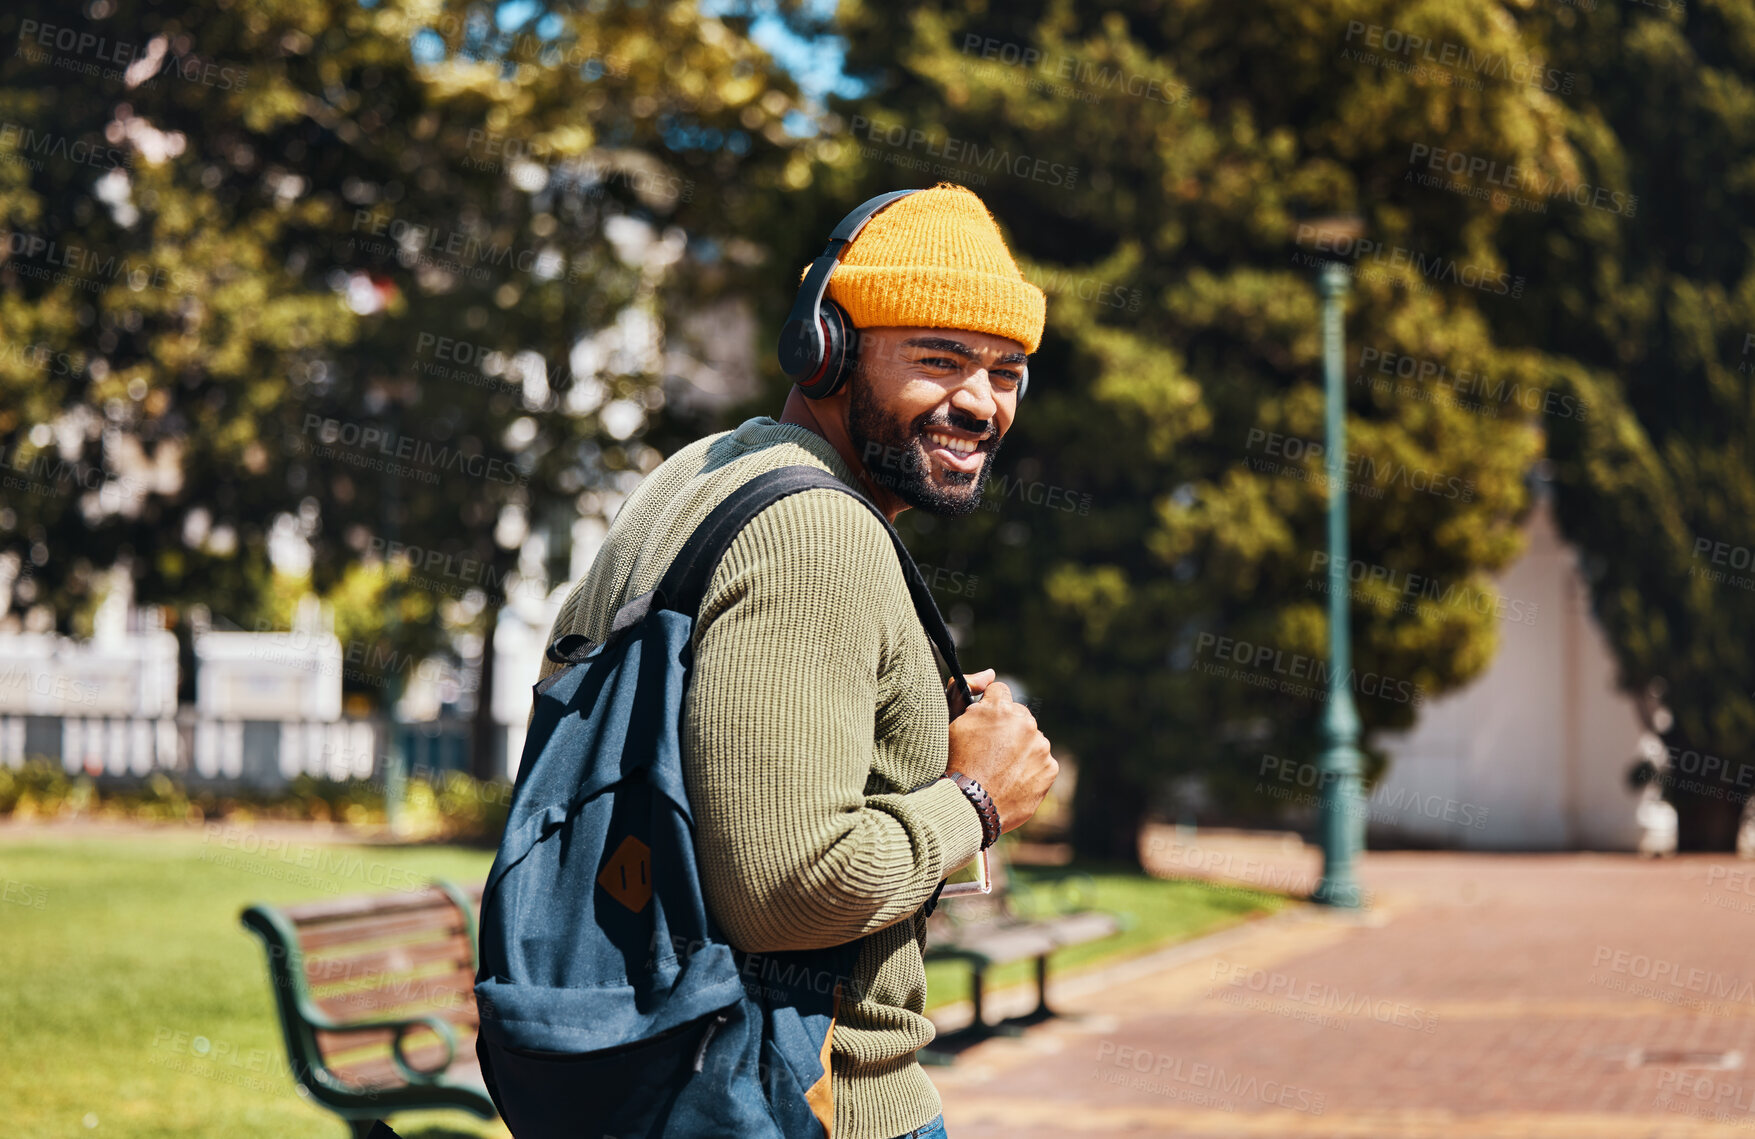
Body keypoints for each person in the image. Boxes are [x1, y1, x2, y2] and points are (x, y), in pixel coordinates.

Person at [535, 182, 1058, 1139]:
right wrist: (977, 800)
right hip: (809, 1104)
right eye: (941, 359)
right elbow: (787, 888)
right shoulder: (818, 533)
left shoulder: (700, 476)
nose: (981, 403)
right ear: (823, 349)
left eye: (1007, 370)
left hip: (656, 1072)